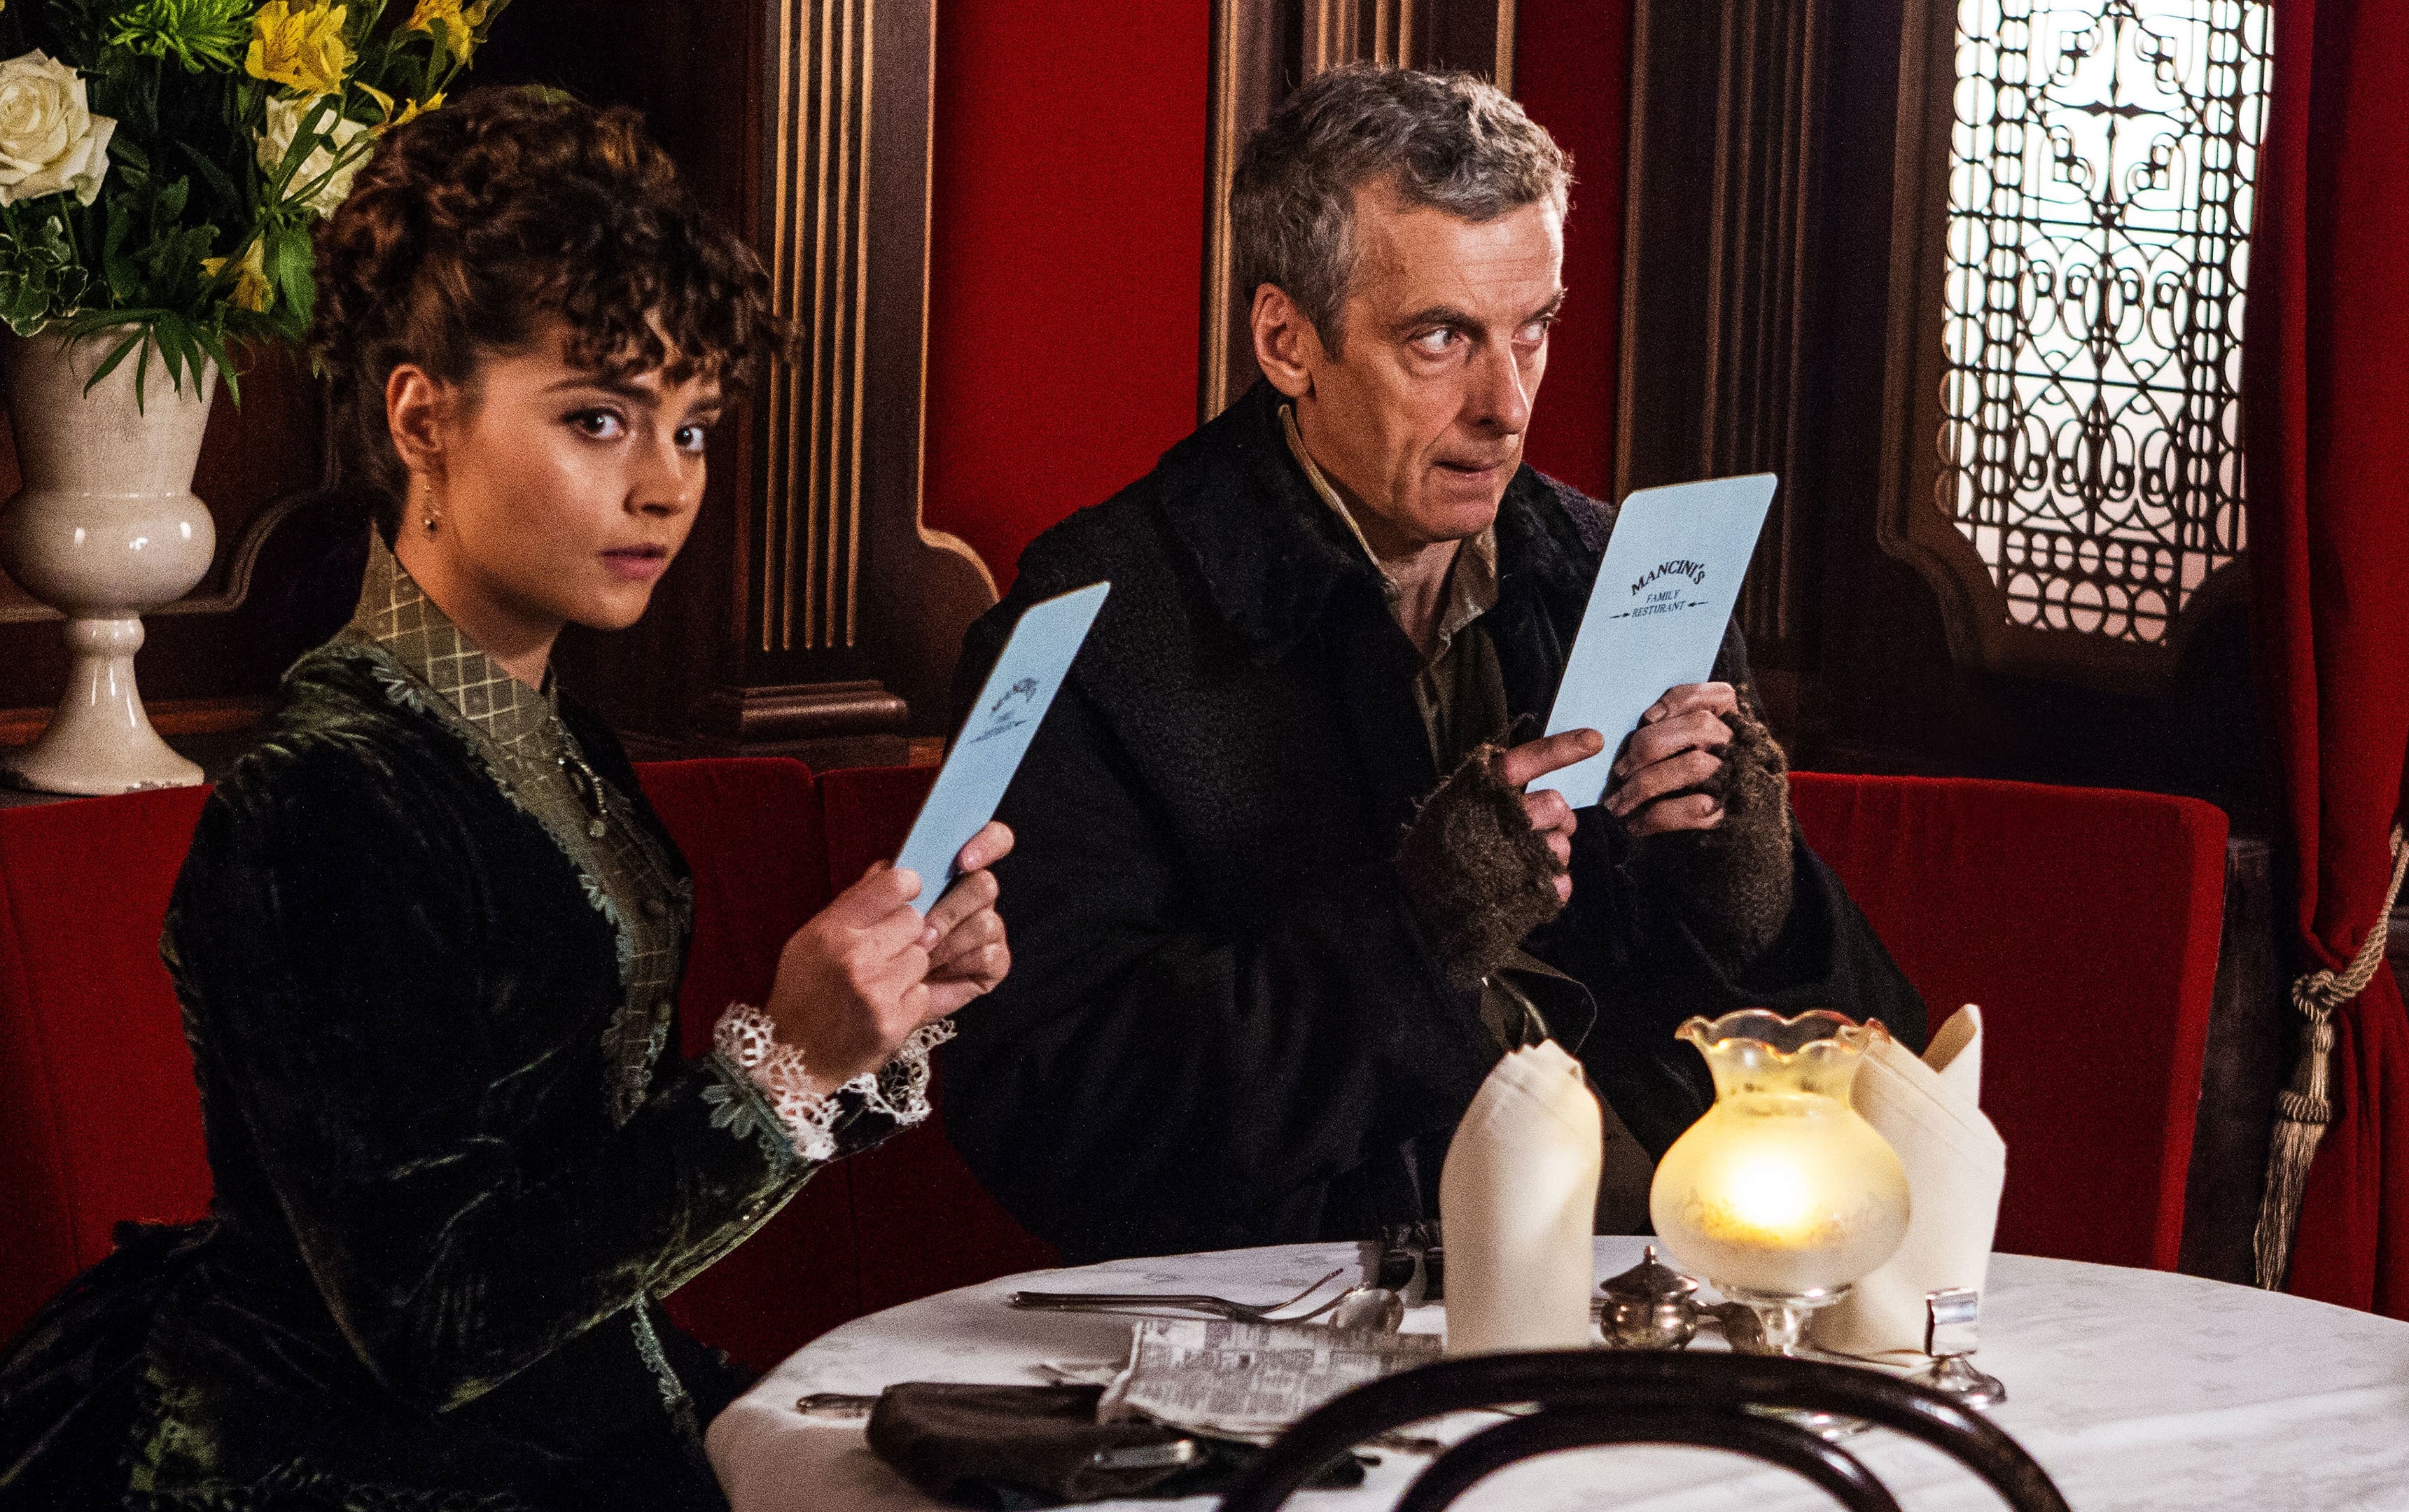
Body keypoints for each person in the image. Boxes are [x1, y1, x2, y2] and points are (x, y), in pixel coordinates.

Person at [0, 90, 1011, 1511]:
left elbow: (577, 1171)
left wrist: (857, 1033)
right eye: (600, 420)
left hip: (574, 1415)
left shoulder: (559, 742)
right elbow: (434, 1324)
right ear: (423, 416)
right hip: (352, 1473)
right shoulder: (322, 799)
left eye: (693, 431)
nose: (664, 488)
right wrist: (782, 1067)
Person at [944, 66, 1925, 1265]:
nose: (1506, 405)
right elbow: (1051, 1122)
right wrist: (1410, 941)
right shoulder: (1093, 625)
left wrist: (1760, 906)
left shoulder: (1619, 570)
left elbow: (1883, 1090)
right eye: (1442, 339)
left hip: (1670, 1266)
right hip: (1308, 1309)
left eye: (1535, 329)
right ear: (1287, 342)